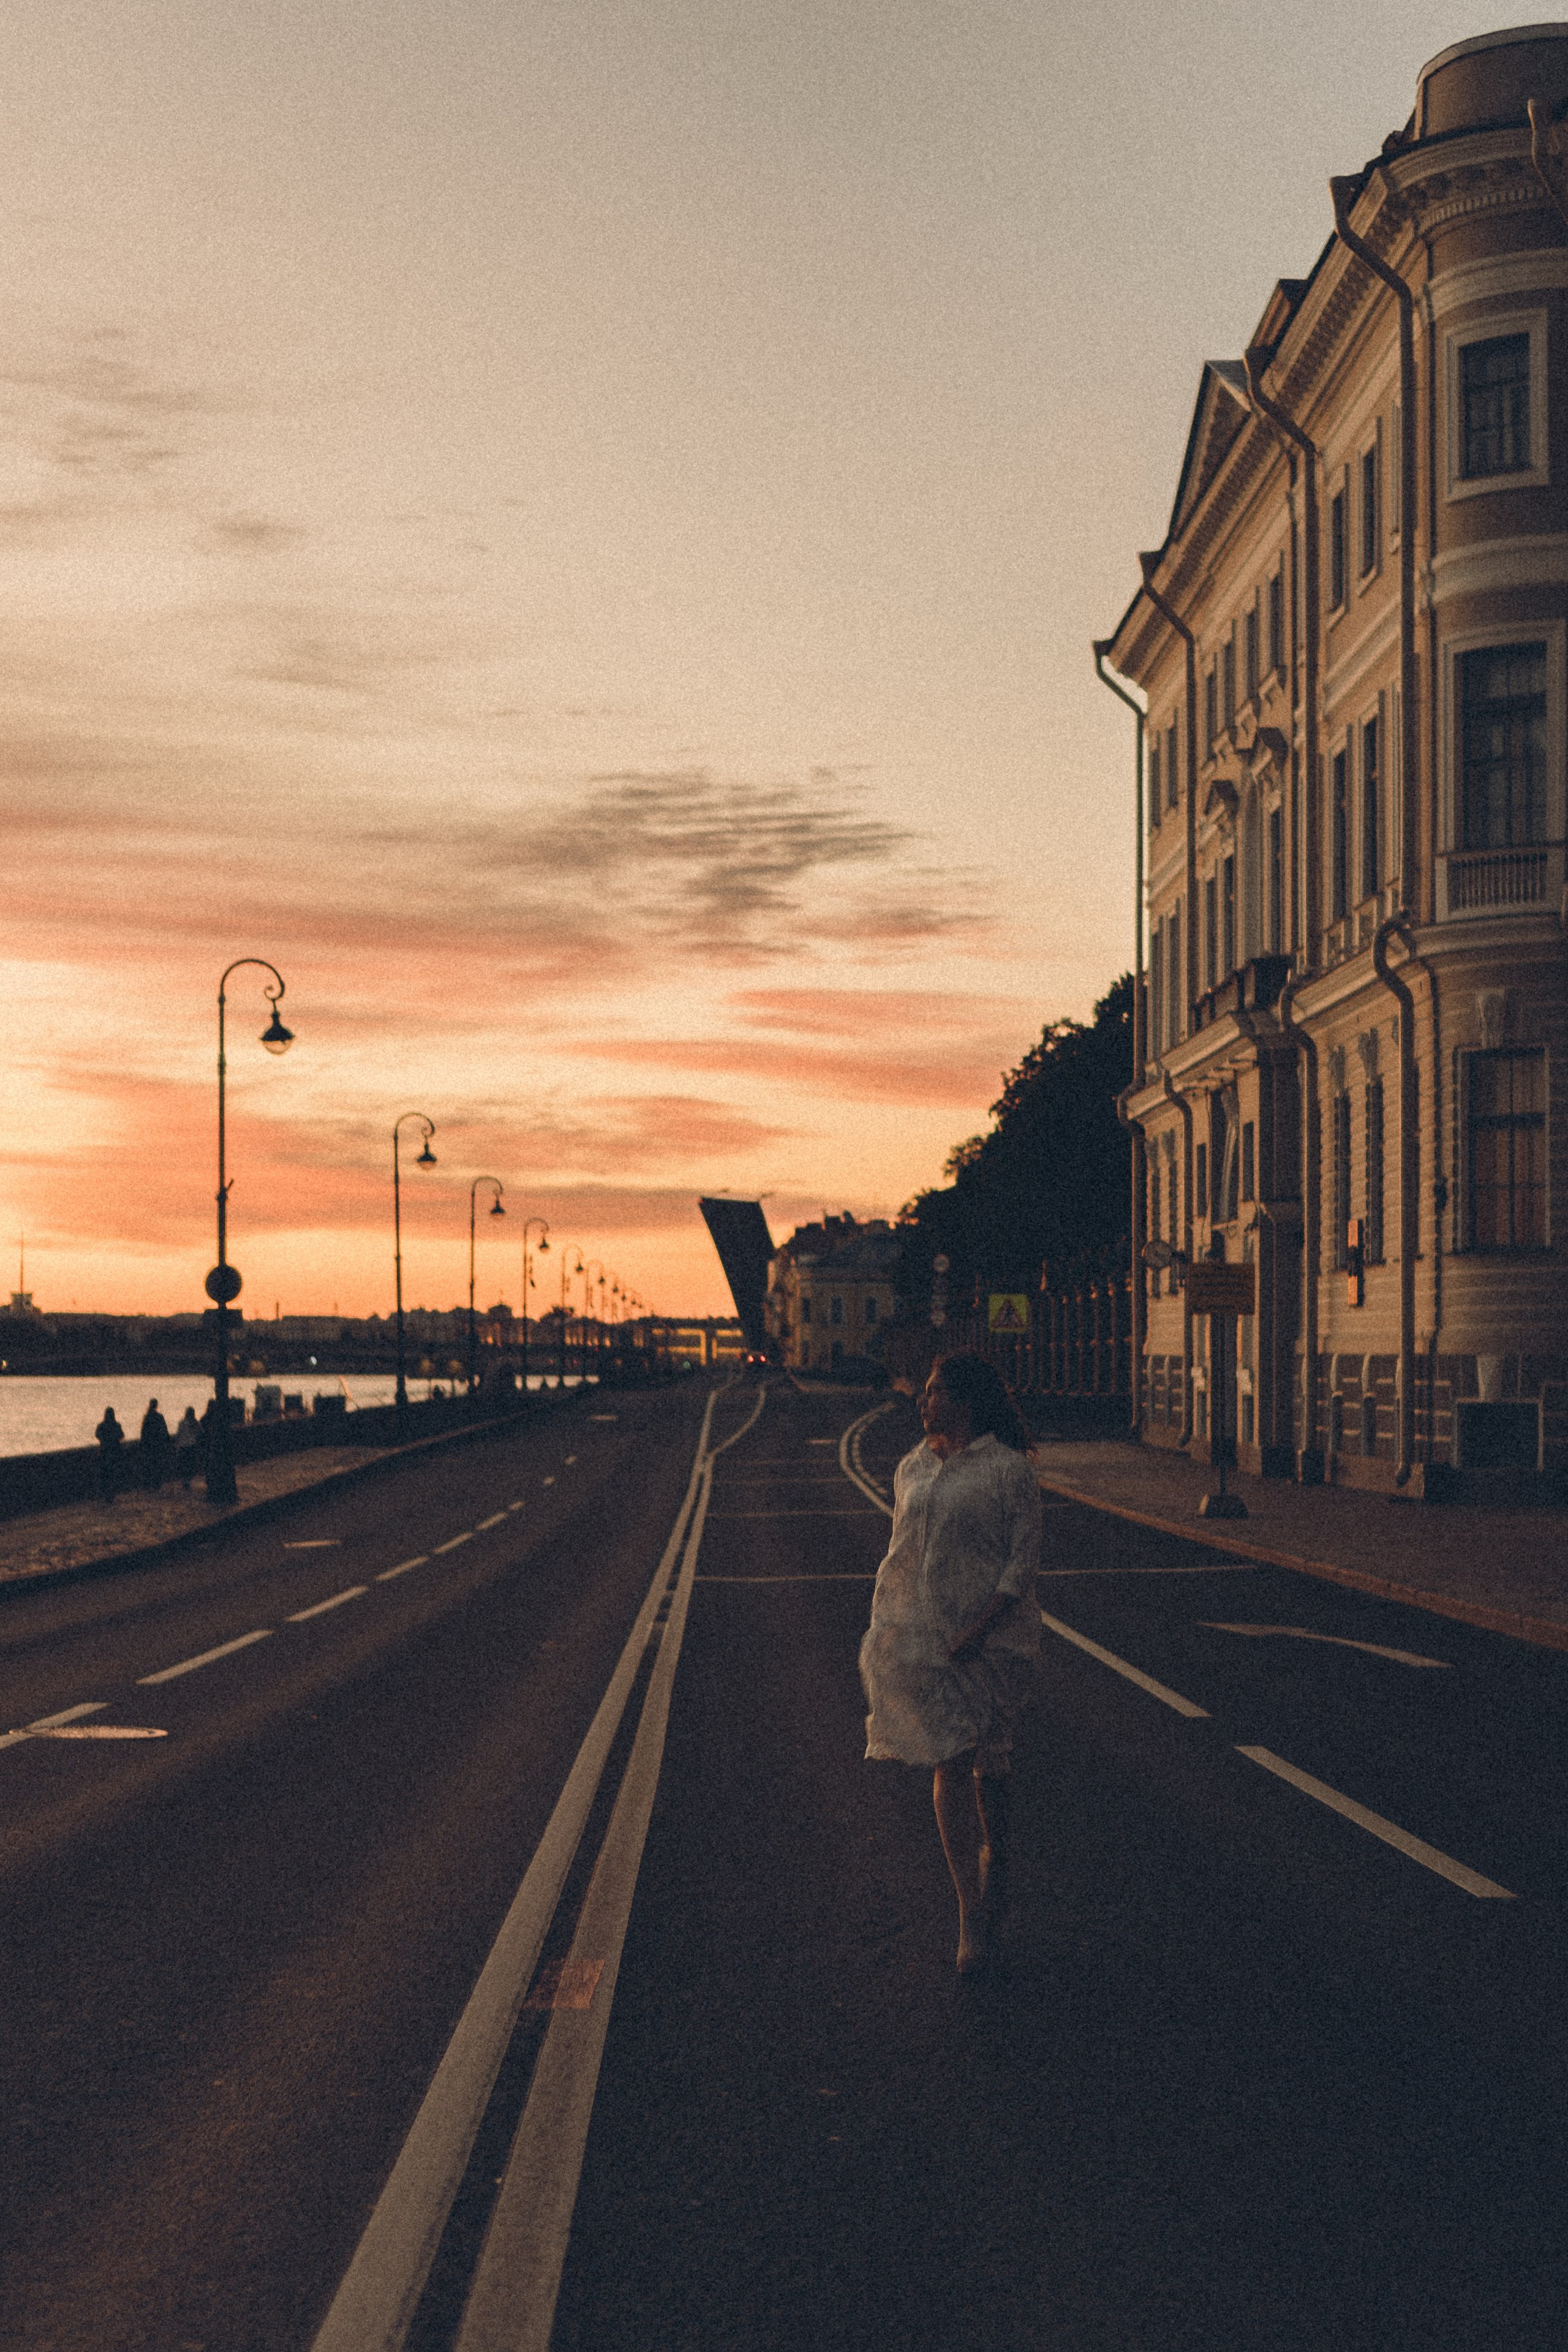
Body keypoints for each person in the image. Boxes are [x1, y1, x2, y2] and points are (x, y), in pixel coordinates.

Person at [860, 1351, 1042, 1975]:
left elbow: (1021, 1563)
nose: (923, 1400)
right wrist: (894, 1625)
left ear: (964, 1400)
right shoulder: (912, 1468)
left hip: (995, 1643)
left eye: (934, 1391)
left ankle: (1001, 1863)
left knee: (993, 1767)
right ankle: (969, 1910)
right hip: (934, 1642)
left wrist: (980, 1628)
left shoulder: (1007, 1469)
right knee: (952, 1762)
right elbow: (902, 1555)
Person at [139, 1398, 171, 1493]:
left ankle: (147, 1484)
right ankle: (157, 1484)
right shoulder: (159, 1417)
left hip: (149, 1445)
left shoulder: (147, 1417)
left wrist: (143, 1443)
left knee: (148, 1465)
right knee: (157, 1465)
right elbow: (164, 1431)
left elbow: (143, 1432)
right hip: (158, 1445)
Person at [94, 1405, 125, 1504]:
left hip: (104, 1452)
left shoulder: (101, 1426)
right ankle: (111, 1495)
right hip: (115, 1453)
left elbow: (97, 1435)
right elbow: (121, 1435)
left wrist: (104, 1440)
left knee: (105, 1474)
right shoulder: (117, 1425)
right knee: (113, 1474)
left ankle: (106, 1494)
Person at [173, 1405, 203, 1490]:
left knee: (184, 1465)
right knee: (191, 1465)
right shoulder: (195, 1423)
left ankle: (185, 1481)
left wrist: (177, 1445)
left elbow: (179, 1435)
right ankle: (188, 1481)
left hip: (183, 1447)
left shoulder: (182, 1423)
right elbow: (201, 1432)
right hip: (191, 1446)